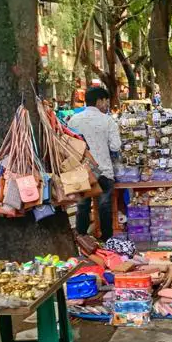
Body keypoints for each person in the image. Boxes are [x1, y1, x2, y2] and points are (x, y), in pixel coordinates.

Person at [67, 86, 121, 241]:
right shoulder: (107, 120)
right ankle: (107, 240)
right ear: (99, 101)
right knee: (104, 207)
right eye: (105, 101)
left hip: (81, 171)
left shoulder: (74, 120)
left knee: (82, 206)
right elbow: (115, 146)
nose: (107, 105)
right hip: (103, 171)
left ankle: (82, 239)